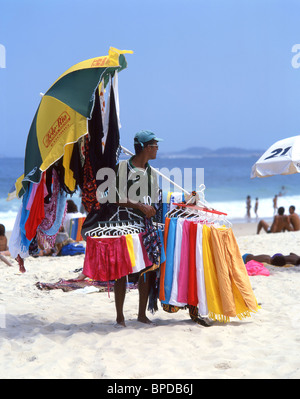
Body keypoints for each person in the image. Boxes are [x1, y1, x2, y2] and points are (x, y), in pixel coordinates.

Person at [112, 130, 163, 327]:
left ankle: (141, 314)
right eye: (155, 145)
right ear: (145, 147)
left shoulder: (151, 172)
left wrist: (152, 209)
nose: (157, 148)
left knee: (147, 269)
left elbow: (153, 199)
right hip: (124, 224)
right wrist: (139, 205)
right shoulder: (123, 167)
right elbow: (114, 197)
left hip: (145, 226)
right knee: (121, 270)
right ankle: (120, 317)